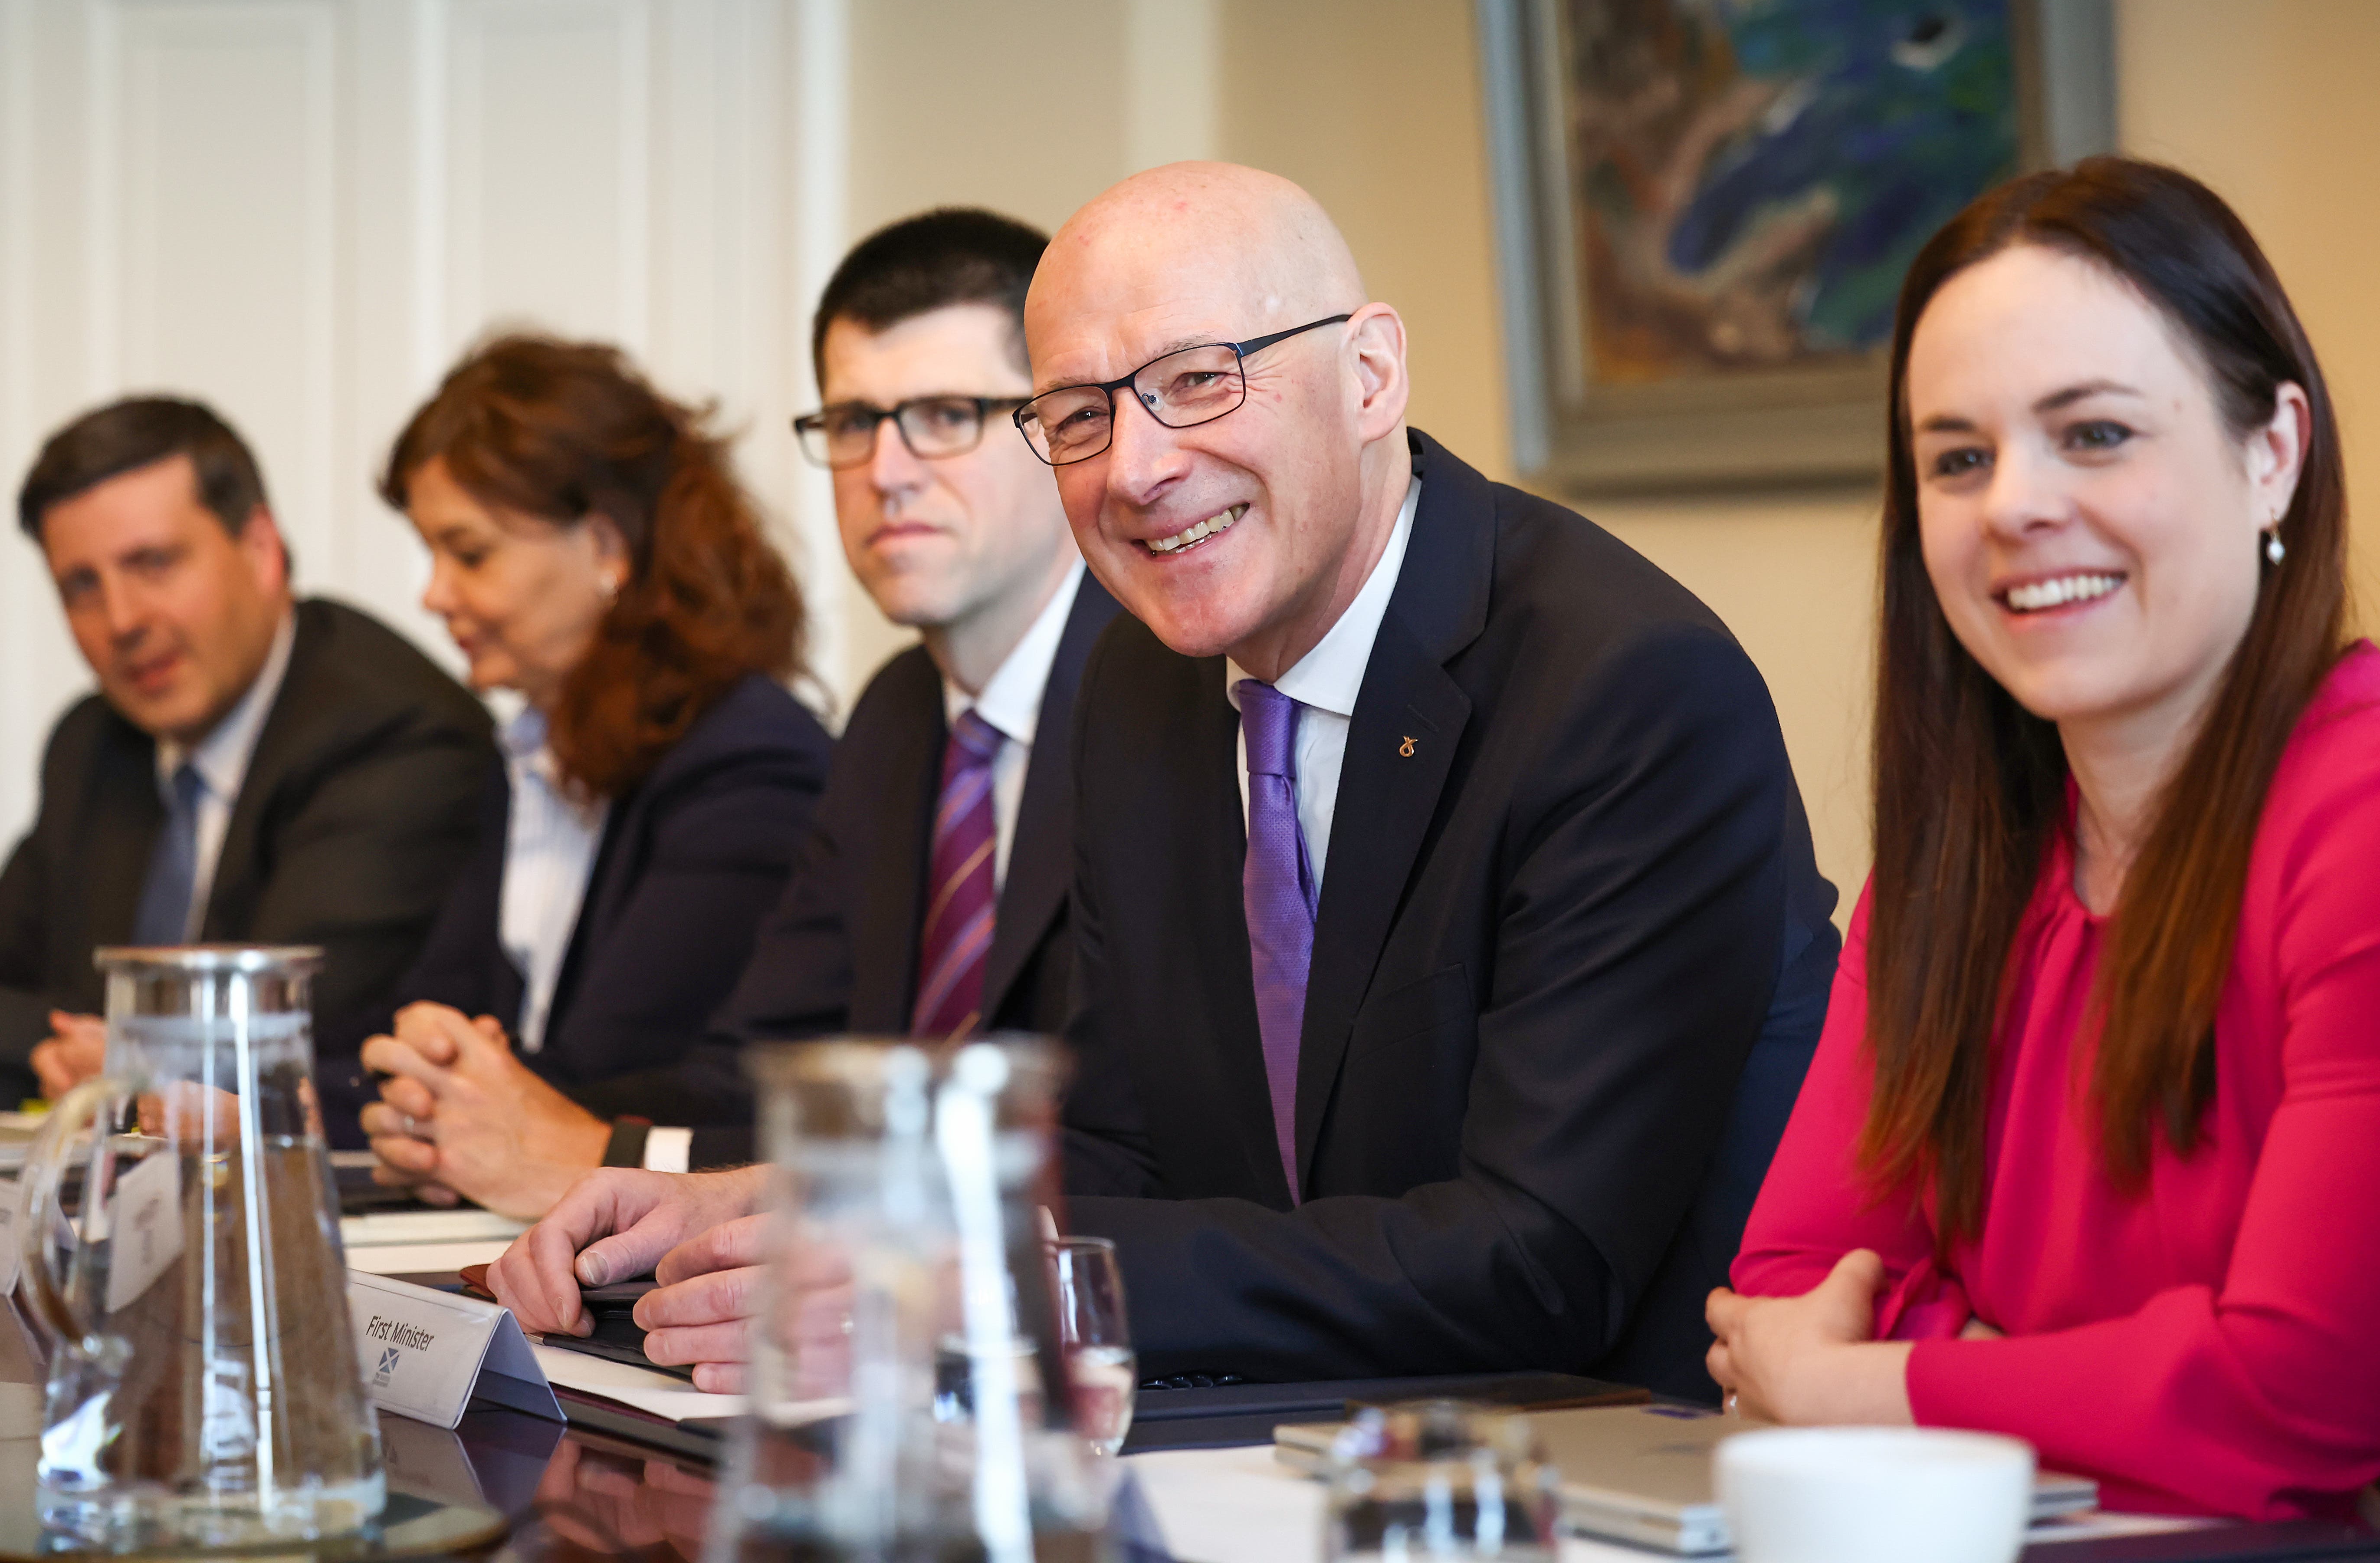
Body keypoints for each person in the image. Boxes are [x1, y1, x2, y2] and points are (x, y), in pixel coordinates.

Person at [488, 163, 1839, 1399]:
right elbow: (1123, 1155)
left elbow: (1534, 1259)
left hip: (1585, 1457)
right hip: (1260, 1432)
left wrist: (980, 1290)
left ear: (1370, 376)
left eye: (1200, 381)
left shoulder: (1620, 685)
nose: (1137, 470)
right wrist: (792, 1206)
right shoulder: (1139, 686)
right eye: (1078, 416)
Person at [1708, 158, 2380, 1531]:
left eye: (2095, 435)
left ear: (2272, 454)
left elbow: (2286, 1402)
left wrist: (1866, 1386)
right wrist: (2130, 1407)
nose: (2014, 504)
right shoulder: (1958, 866)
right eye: (1958, 457)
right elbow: (1785, 1279)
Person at [360, 211, 1114, 1211]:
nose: (887, 472)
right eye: (853, 423)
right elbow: (758, 1077)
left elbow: (1111, 1144)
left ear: (1057, 424)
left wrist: (588, 1151)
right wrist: (484, 1110)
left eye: (943, 415)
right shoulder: (897, 719)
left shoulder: (1172, 694)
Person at [341, 335, 830, 1175]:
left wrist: (404, 1102)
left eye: (469, 553)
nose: (434, 595)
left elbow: (605, 1081)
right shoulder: (533, 748)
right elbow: (429, 1014)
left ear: (607, 547)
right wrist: (405, 1081)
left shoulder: (750, 763)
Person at [0, 397, 494, 1108]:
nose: (123, 620)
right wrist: (63, 1048)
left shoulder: (391, 734)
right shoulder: (94, 743)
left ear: (260, 551)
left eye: (154, 563)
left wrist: (122, 1055)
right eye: (82, 585)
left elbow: (264, 1039)